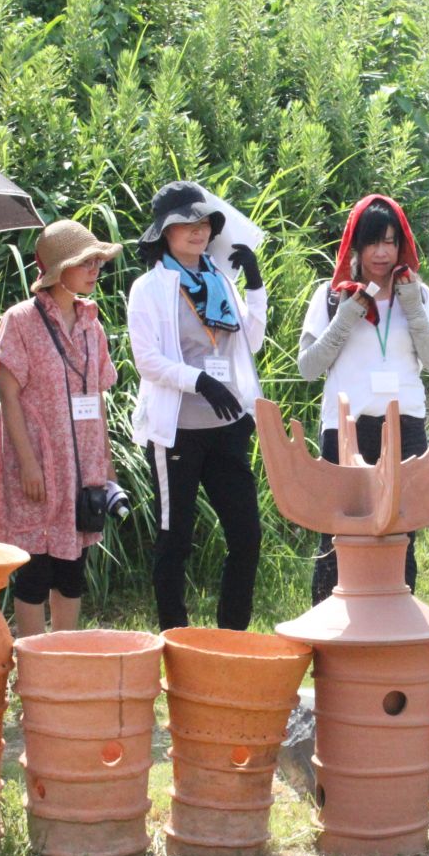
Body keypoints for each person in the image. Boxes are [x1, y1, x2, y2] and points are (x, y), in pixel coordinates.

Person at [128, 181, 267, 631]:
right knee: (175, 539)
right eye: (186, 223)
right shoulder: (149, 288)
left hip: (228, 426)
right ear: (163, 233)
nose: (198, 231)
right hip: (178, 431)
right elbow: (147, 360)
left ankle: (233, 637)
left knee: (246, 536)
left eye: (204, 222)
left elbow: (253, 341)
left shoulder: (221, 280)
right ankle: (176, 638)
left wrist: (255, 286)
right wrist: (201, 381)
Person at [297, 193, 429, 604]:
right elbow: (308, 367)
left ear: (402, 245)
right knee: (338, 535)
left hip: (404, 428)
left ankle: (398, 632)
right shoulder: (329, 297)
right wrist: (347, 314)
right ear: (355, 246)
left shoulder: (418, 294)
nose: (382, 252)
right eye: (372, 242)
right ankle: (331, 638)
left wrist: (414, 308)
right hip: (345, 428)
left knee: (401, 534)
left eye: (391, 241)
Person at [0, 220, 121, 635]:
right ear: (58, 267)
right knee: (34, 569)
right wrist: (27, 463)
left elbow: (96, 397)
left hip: (82, 467)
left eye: (98, 260)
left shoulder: (91, 324)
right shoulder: (21, 320)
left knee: (71, 568)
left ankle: (65, 656)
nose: (95, 268)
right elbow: (8, 395)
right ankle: (32, 664)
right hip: (39, 463)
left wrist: (106, 464)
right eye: (86, 261)